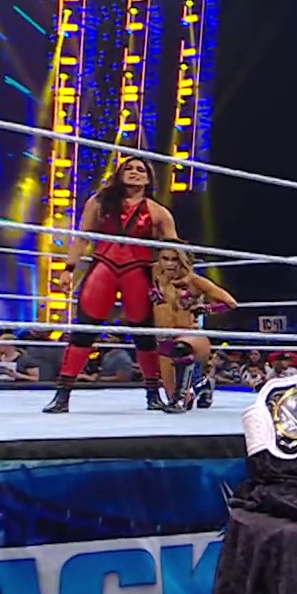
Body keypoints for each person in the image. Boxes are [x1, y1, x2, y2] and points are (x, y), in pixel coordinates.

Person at [44, 156, 178, 414]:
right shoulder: (99, 202)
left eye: (140, 169)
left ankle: (153, 395)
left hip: (137, 271)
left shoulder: (158, 211)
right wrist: (68, 269)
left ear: (149, 178)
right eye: (129, 168)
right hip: (104, 267)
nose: (134, 172)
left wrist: (171, 281)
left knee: (144, 334)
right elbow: (82, 237)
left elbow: (173, 250)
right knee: (84, 329)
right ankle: (62, 396)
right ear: (119, 173)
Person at [151, 244, 237, 411]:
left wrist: (205, 309)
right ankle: (203, 385)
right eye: (165, 259)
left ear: (183, 261)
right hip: (163, 339)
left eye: (175, 259)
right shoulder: (155, 276)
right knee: (171, 395)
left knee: (180, 348)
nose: (170, 264)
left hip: (190, 337)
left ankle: (181, 400)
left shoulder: (194, 281)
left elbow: (230, 302)